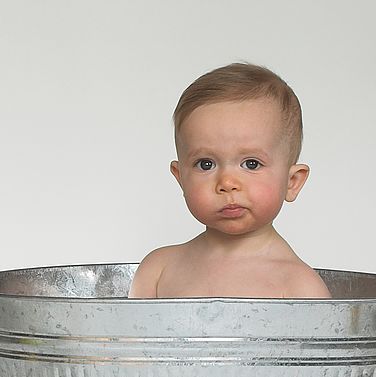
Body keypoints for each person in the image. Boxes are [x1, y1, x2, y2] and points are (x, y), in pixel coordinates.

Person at [129, 63, 331, 299]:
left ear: (292, 182)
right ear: (180, 178)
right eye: (206, 164)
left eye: (251, 164)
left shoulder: (299, 287)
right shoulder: (157, 271)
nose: (227, 182)